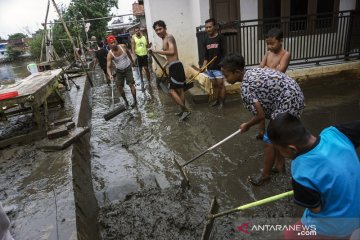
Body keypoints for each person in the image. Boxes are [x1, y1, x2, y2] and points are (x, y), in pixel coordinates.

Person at [267, 113, 360, 239]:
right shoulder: (336, 133)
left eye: (279, 149)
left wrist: (301, 194)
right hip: (356, 212)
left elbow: (316, 209)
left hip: (334, 227)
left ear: (292, 149)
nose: (280, 153)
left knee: (289, 235)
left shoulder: (301, 173)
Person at [219, 53, 305, 186]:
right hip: (293, 93)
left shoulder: (246, 88)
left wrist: (247, 125)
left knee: (269, 140)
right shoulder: (252, 71)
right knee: (276, 134)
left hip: (289, 100)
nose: (225, 79)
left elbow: (260, 115)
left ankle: (265, 175)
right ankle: (279, 166)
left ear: (237, 72)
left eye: (226, 75)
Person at [151, 20, 190, 121]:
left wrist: (156, 51)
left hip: (176, 66)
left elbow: (172, 52)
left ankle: (185, 110)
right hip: (173, 66)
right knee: (180, 90)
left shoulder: (169, 37)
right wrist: (165, 64)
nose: (158, 32)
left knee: (171, 90)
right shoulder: (164, 39)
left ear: (165, 28)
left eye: (160, 29)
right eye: (156, 30)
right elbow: (171, 56)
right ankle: (183, 111)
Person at [257, 28, 291, 140]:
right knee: (260, 110)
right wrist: (270, 69)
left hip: (277, 88)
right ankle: (261, 132)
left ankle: (273, 133)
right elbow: (261, 68)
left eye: (272, 43)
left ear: (281, 41)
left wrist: (267, 68)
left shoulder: (285, 54)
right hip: (265, 86)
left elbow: (280, 72)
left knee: (275, 111)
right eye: (268, 44)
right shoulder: (267, 53)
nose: (269, 46)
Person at [106, 35, 137, 108]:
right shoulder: (110, 54)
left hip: (128, 68)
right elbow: (108, 67)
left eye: (114, 42)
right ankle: (126, 101)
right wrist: (110, 75)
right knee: (119, 87)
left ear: (116, 41)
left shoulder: (123, 46)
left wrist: (132, 61)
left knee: (131, 84)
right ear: (109, 45)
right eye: (111, 43)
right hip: (119, 71)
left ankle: (135, 100)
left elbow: (129, 54)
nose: (113, 44)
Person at [202, 18, 226, 109]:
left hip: (219, 67)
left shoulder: (220, 38)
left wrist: (223, 66)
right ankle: (216, 101)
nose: (208, 29)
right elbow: (205, 57)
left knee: (220, 85)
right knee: (215, 85)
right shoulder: (205, 40)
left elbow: (224, 53)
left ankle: (222, 102)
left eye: (210, 27)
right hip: (210, 68)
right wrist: (204, 66)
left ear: (214, 27)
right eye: (206, 27)